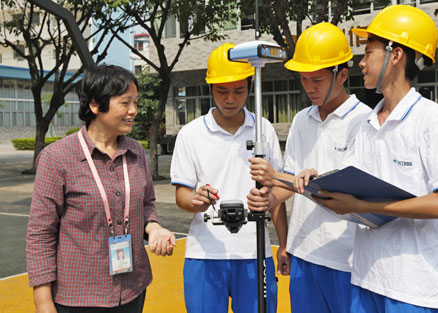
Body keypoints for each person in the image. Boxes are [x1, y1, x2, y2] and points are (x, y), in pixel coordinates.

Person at [313, 5, 438, 313]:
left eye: (368, 52)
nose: (361, 63)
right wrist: (322, 184)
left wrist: (364, 206)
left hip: (416, 288)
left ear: (395, 55)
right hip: (368, 277)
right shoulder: (367, 124)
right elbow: (360, 188)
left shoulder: (430, 118)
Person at [26, 65, 177, 313]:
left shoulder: (136, 151)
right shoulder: (57, 157)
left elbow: (147, 203)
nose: (133, 111)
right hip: (79, 296)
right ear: (96, 105)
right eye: (125, 103)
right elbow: (40, 233)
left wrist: (155, 228)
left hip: (132, 288)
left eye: (135, 102)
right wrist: (42, 301)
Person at [247, 22, 371, 313]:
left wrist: (282, 177)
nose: (309, 88)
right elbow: (289, 179)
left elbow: (353, 192)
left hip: (347, 259)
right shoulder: (302, 119)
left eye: (317, 80)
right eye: (303, 79)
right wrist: (268, 198)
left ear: (341, 75)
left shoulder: (364, 122)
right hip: (304, 253)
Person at [170, 43, 285, 313]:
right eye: (222, 91)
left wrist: (284, 245)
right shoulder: (191, 134)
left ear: (250, 86)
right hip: (206, 253)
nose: (230, 99)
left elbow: (276, 191)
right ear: (210, 88)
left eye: (239, 91)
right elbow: (181, 196)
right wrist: (197, 200)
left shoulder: (262, 130)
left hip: (255, 252)